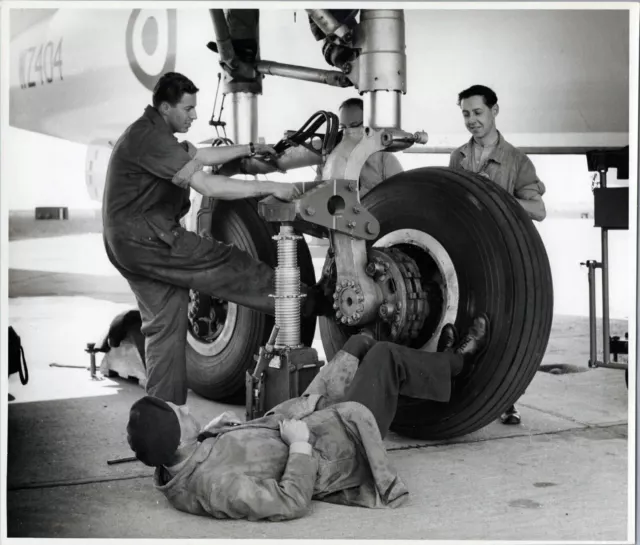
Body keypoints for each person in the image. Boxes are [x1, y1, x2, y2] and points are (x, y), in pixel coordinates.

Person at [102, 72, 327, 407]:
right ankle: (307, 300)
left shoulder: (151, 132)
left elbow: (201, 157)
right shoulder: (152, 139)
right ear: (165, 107)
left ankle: (164, 417)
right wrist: (272, 186)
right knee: (226, 263)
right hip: (150, 240)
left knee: (164, 328)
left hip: (126, 244)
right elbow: (209, 186)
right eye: (188, 108)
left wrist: (251, 149)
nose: (194, 115)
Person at [126, 315, 489, 522]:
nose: (187, 408)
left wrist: (209, 436)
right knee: (381, 357)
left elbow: (184, 458)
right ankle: (457, 363)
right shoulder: (218, 488)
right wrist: (299, 446)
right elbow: (290, 502)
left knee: (357, 346)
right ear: (175, 438)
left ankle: (427, 372)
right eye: (180, 413)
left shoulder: (181, 457)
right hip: (341, 446)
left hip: (305, 418)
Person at [449, 84, 547, 424]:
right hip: (466, 258)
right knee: (464, 328)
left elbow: (538, 209)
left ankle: (506, 400)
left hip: (504, 259)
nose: (471, 120)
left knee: (505, 333)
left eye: (477, 113)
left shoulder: (517, 161)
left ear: (494, 111)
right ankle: (466, 396)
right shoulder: (458, 157)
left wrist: (497, 203)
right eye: (465, 114)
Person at [315, 98, 404, 196]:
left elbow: (399, 198)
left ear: (368, 126)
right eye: (343, 127)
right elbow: (318, 196)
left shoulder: (385, 160)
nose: (348, 132)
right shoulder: (328, 162)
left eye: (354, 126)